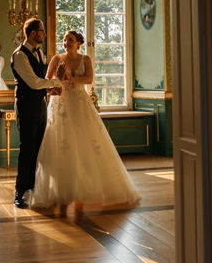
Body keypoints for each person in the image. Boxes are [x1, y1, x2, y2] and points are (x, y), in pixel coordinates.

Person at [30, 30, 140, 210]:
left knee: (84, 145)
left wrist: (70, 78)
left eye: (70, 40)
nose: (66, 43)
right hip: (60, 105)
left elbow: (89, 79)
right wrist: (59, 79)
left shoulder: (85, 59)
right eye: (64, 40)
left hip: (80, 104)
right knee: (62, 144)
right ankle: (61, 191)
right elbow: (47, 81)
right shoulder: (57, 59)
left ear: (79, 43)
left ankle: (85, 189)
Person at [10, 18, 63, 208]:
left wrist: (50, 90)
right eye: (42, 31)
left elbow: (41, 82)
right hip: (25, 106)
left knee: (39, 149)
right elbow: (33, 83)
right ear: (32, 33)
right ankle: (19, 192)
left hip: (40, 105)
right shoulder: (19, 55)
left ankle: (33, 188)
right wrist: (57, 82)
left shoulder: (39, 52)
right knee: (27, 149)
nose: (44, 34)